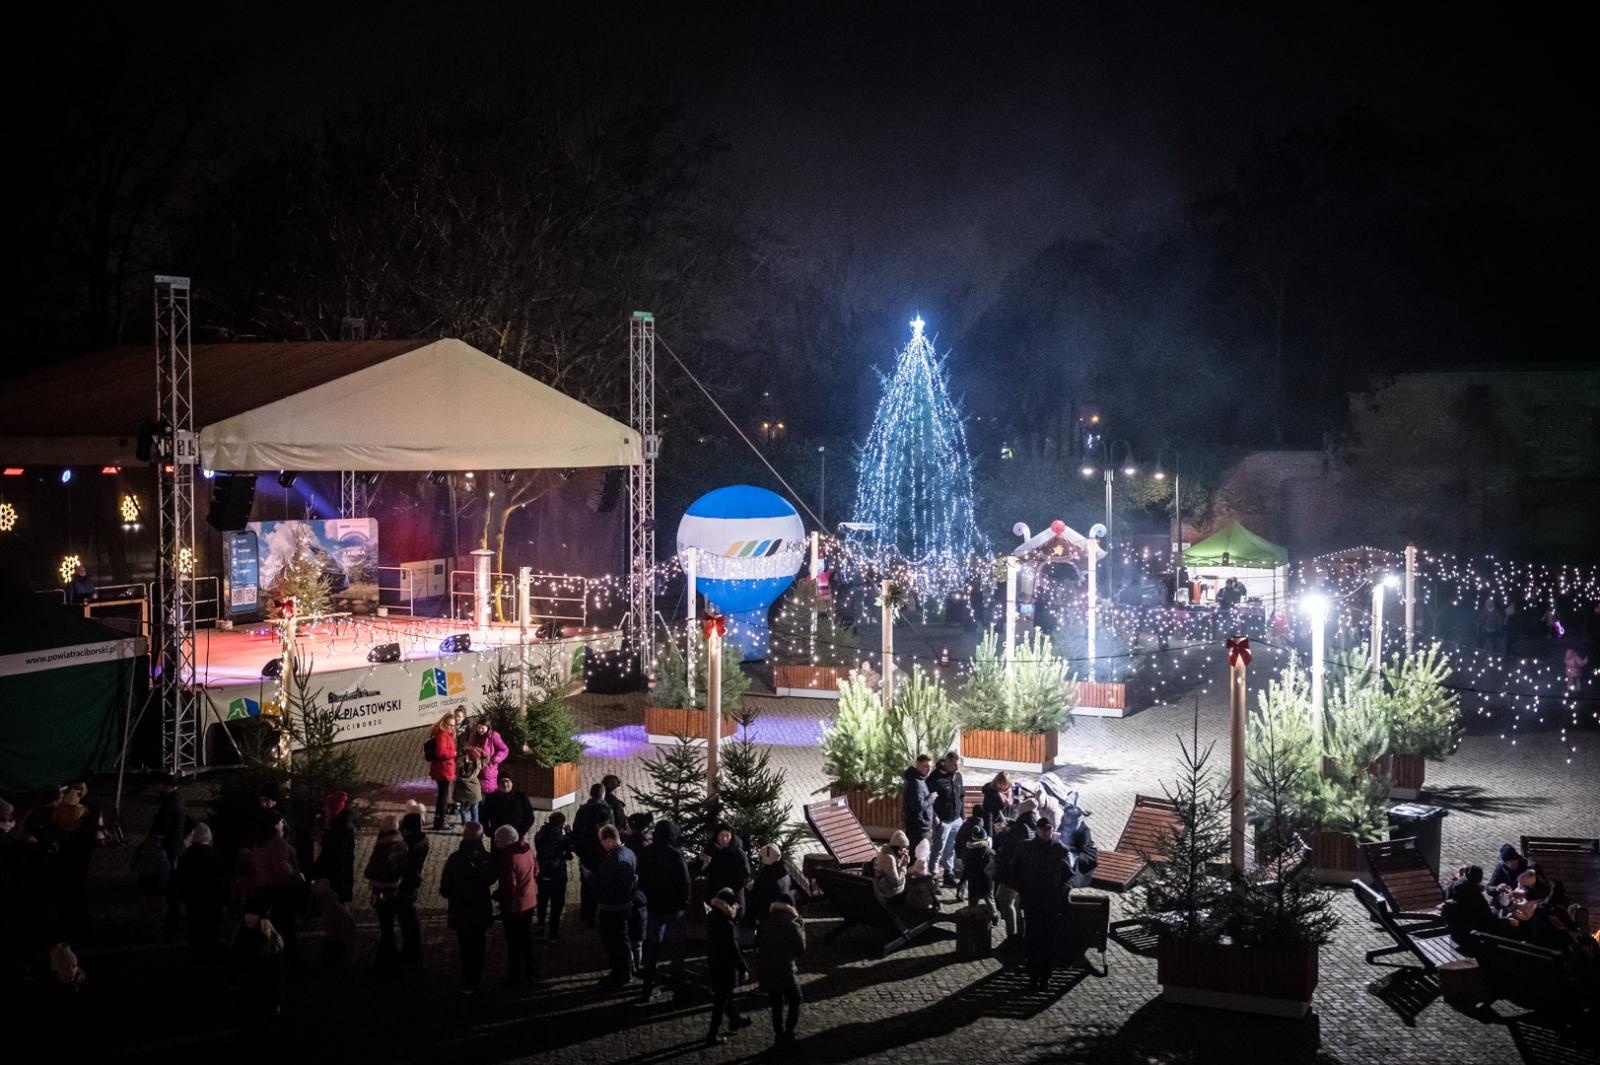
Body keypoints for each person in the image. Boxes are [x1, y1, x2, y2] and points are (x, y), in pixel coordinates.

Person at [1013, 816, 1072, 990]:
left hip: (1051, 903)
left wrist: (1062, 890)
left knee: (1048, 940)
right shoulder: (1025, 847)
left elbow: (1068, 875)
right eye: (1043, 829)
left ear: (1052, 830)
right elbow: (1014, 869)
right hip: (1032, 901)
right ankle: (1033, 976)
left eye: (1049, 829)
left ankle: (1045, 977)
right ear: (1037, 830)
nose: (1046, 832)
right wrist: (1023, 889)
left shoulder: (1060, 849)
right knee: (1032, 939)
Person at [637, 819, 691, 1001]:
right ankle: (678, 988)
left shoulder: (646, 853)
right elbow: (685, 882)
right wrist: (684, 903)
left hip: (653, 908)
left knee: (652, 948)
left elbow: (641, 879)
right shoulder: (675, 855)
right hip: (674, 910)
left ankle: (647, 987)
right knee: (677, 950)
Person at [438, 822, 495, 992]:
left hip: (461, 910)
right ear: (481, 836)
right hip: (480, 908)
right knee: (479, 942)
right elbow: (492, 877)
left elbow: (445, 889)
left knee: (465, 944)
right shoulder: (486, 858)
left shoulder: (455, 859)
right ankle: (477, 975)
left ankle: (468, 976)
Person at [248, 811, 304, 961]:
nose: (282, 824)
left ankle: (266, 959)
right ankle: (287, 960)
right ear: (274, 824)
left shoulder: (259, 843)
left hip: (262, 891)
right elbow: (282, 868)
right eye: (280, 821)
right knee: (285, 928)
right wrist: (298, 877)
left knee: (266, 929)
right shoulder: (277, 843)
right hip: (279, 892)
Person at [228, 903, 287, 1044]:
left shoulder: (269, 938)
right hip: (249, 986)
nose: (248, 917)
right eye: (247, 913)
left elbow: (276, 969)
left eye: (253, 914)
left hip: (262, 987)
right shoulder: (241, 932)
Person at [756, 890, 806, 1048]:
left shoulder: (766, 921)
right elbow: (800, 948)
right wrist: (801, 927)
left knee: (776, 1003)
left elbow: (757, 943)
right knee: (796, 998)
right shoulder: (792, 924)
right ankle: (789, 1032)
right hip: (786, 969)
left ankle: (779, 1034)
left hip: (767, 968)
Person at [705, 886, 753, 1046]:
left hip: (714, 963)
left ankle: (735, 1020)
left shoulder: (712, 916)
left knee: (726, 996)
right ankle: (712, 1034)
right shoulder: (727, 924)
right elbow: (733, 949)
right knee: (721, 1001)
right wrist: (743, 967)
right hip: (726, 967)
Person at [493, 823, 539, 986]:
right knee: (527, 938)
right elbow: (536, 870)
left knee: (514, 942)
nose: (496, 844)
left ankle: (515, 976)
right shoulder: (527, 849)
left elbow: (508, 887)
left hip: (515, 906)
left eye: (498, 841)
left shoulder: (508, 859)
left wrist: (499, 897)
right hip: (530, 900)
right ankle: (531, 971)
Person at [593, 824, 639, 988]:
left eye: (602, 841)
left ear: (610, 840)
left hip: (613, 907)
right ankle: (624, 971)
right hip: (625, 905)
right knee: (621, 940)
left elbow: (607, 885)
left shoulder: (614, 859)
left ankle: (621, 974)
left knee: (614, 942)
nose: (601, 844)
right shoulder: (629, 853)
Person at [173, 822, 227, 959]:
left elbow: (180, 879)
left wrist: (183, 897)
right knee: (212, 931)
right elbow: (222, 881)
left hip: (193, 900)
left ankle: (196, 955)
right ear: (209, 838)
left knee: (195, 930)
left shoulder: (186, 857)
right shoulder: (216, 857)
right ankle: (212, 956)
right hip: (212, 901)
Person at [364, 814, 407, 966]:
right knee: (388, 924)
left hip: (382, 890)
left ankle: (387, 957)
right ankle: (388, 955)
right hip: (395, 888)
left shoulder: (382, 847)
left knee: (386, 925)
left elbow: (370, 871)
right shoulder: (402, 844)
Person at [1443, 865, 1518, 951]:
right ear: (1479, 880)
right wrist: (1507, 921)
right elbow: (1490, 920)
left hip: (1455, 930)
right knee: (1507, 926)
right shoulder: (1476, 897)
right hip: (1468, 934)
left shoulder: (1454, 886)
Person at [991, 801, 1037, 941]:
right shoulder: (1031, 822)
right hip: (1023, 871)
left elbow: (1010, 844)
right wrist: (1010, 825)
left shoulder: (1021, 827)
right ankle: (1019, 932)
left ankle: (1012, 936)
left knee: (1005, 900)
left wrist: (1000, 833)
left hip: (1012, 872)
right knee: (1014, 902)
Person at [573, 783, 614, 926]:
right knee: (602, 882)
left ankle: (586, 913)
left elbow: (576, 831)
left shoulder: (583, 810)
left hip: (587, 854)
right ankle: (598, 912)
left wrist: (579, 851)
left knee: (586, 884)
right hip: (602, 854)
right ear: (603, 794)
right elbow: (612, 831)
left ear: (591, 794)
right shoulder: (608, 811)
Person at [927, 751, 965, 888]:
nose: (957, 768)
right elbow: (928, 800)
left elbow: (961, 797)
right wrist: (935, 818)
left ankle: (948, 873)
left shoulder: (958, 776)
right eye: (954, 765)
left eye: (959, 765)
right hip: (942, 821)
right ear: (947, 762)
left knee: (951, 849)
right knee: (937, 849)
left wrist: (962, 817)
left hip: (956, 820)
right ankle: (933, 876)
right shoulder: (935, 778)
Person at [397, 807, 430, 962]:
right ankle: (411, 945)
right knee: (408, 915)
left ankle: (411, 948)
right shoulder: (420, 840)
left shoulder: (411, 845)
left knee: (407, 915)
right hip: (412, 881)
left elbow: (403, 864)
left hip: (408, 882)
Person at [533, 811, 573, 939]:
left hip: (542, 874)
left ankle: (540, 928)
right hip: (558, 876)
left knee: (542, 902)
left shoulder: (539, 835)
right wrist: (569, 833)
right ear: (561, 824)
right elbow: (572, 848)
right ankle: (553, 933)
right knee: (557, 904)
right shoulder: (562, 839)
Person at [312, 791, 356, 905]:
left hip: (337, 874)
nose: (324, 810)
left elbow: (333, 851)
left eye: (327, 808)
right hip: (338, 872)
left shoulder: (340, 829)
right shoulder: (339, 825)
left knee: (335, 901)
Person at [746, 843, 792, 937]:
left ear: (768, 858)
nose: (761, 861)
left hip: (767, 912)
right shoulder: (783, 871)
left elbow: (762, 897)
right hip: (781, 909)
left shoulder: (768, 876)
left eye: (762, 858)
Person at [705, 823, 751, 913]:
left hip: (733, 897)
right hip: (714, 895)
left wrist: (731, 890)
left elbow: (745, 875)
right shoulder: (711, 850)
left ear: (731, 837)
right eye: (721, 835)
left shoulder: (738, 853)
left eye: (727, 835)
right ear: (717, 836)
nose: (724, 838)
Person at [309, 877, 356, 967]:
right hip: (345, 931)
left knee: (329, 945)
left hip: (343, 933)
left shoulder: (329, 906)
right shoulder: (333, 902)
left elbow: (330, 929)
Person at [428, 710, 462, 830]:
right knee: (443, 797)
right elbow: (441, 753)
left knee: (443, 796)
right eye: (450, 725)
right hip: (443, 770)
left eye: (454, 725)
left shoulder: (446, 733)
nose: (452, 727)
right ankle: (440, 822)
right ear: (444, 723)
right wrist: (453, 753)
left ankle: (439, 820)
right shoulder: (442, 734)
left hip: (444, 769)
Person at [955, 803, 993, 906]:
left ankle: (960, 892)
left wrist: (958, 855)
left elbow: (958, 839)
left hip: (965, 855)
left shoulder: (965, 824)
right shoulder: (983, 825)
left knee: (964, 875)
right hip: (978, 856)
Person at [151, 773, 187, 868]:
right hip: (173, 841)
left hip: (169, 843)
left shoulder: (171, 803)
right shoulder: (176, 799)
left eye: (160, 785)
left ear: (167, 786)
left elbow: (163, 824)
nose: (158, 788)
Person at [901, 754, 935, 851]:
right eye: (926, 766)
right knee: (916, 857)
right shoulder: (915, 782)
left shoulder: (920, 780)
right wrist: (931, 798)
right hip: (917, 828)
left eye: (930, 767)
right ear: (918, 765)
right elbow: (918, 806)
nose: (929, 769)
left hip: (921, 826)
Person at [873, 831, 911, 905]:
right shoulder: (889, 858)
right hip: (885, 891)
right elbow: (896, 882)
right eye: (903, 847)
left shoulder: (892, 854)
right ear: (897, 847)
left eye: (906, 847)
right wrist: (903, 866)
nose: (905, 850)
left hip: (885, 885)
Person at [472, 721, 510, 796]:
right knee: (476, 799)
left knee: (489, 797)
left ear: (488, 727)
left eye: (482, 728)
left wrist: (493, 760)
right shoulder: (474, 736)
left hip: (488, 770)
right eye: (478, 728)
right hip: (475, 770)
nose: (480, 730)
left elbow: (504, 749)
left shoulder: (493, 736)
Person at [455, 746, 484, 824]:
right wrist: (481, 751)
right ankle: (476, 826)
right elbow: (487, 758)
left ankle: (467, 825)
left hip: (466, 793)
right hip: (475, 792)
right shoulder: (478, 765)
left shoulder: (463, 765)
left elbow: (457, 761)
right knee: (475, 809)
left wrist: (465, 750)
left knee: (463, 809)